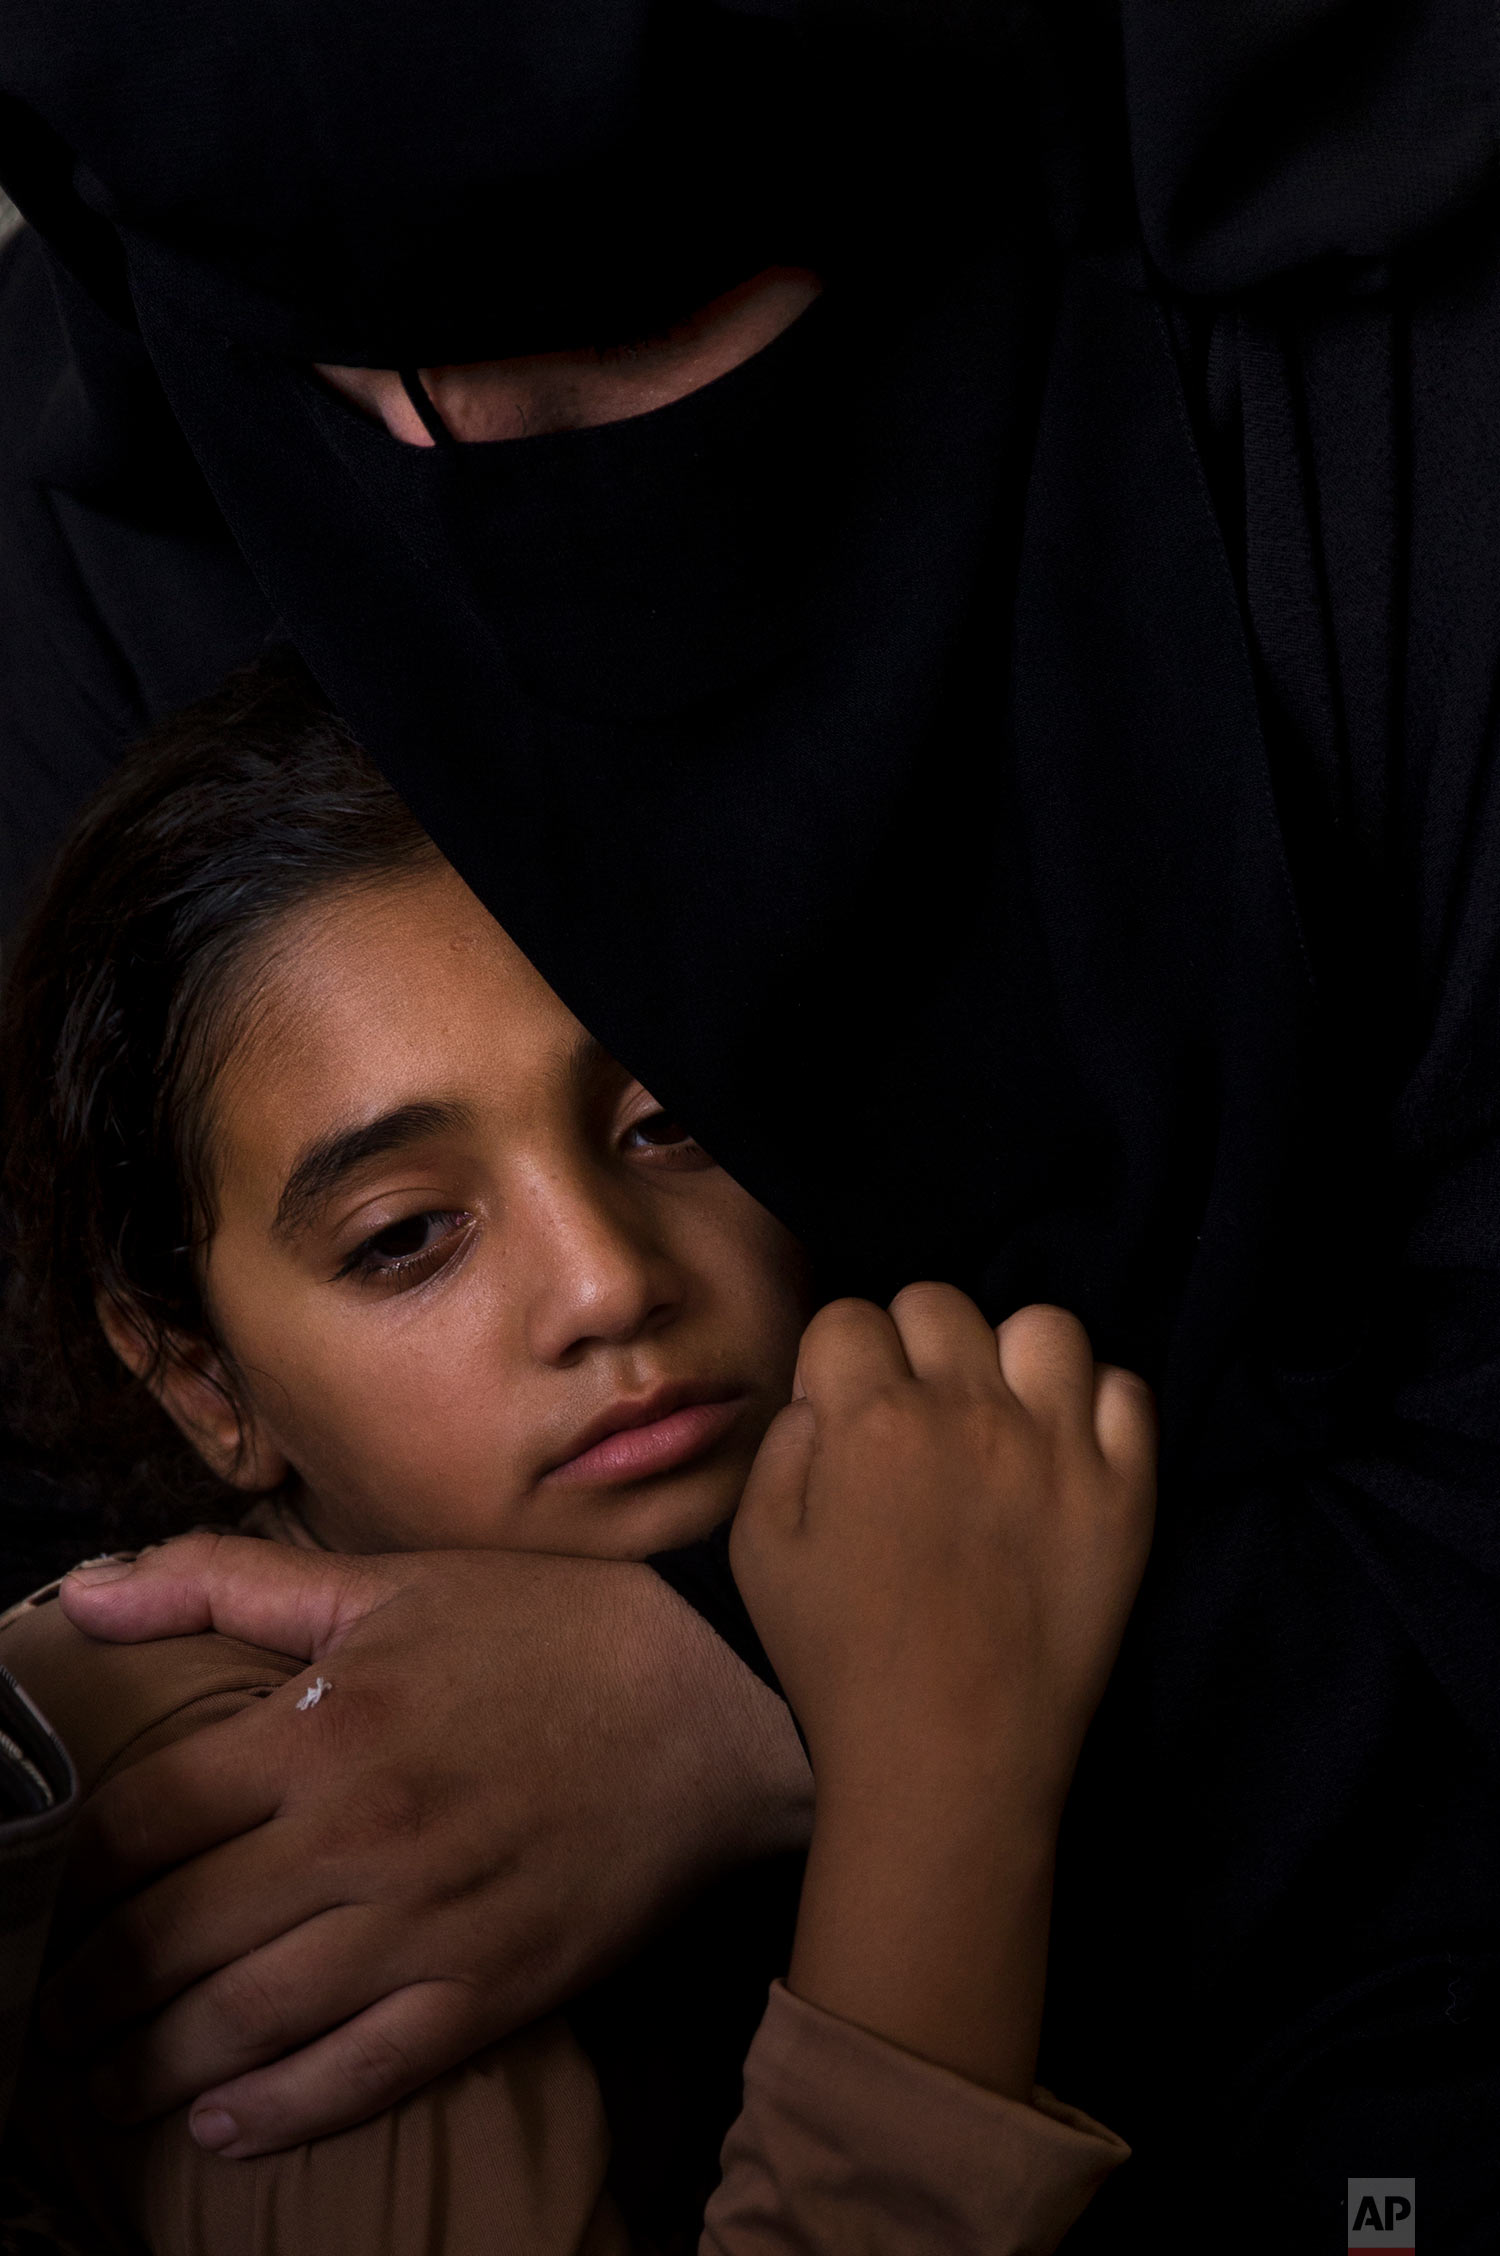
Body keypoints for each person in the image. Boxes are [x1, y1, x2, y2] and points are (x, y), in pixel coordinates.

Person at [3, 7, 1500, 2247]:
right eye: (384, 399)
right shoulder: (100, 515)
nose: (500, 459)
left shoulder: (1383, 395)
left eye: (646, 344)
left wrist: (768, 1706)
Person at [0, 657, 1145, 2252]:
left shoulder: (944, 1461)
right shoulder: (239, 1799)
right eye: (408, 1236)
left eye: (672, 1124)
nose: (610, 1281)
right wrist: (933, 1774)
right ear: (200, 1380)